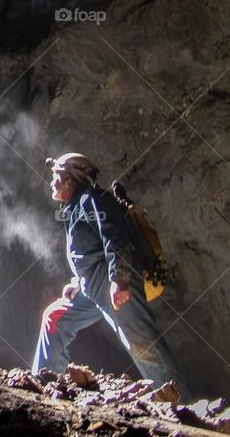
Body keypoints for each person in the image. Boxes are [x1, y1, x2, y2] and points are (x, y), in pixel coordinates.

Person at [33, 153, 188, 399]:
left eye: (58, 176)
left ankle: (182, 405)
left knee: (143, 346)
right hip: (92, 287)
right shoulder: (73, 208)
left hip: (112, 283)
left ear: (71, 179)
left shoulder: (91, 199)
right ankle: (45, 385)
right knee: (54, 318)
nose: (52, 182)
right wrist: (78, 283)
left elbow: (114, 238)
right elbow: (89, 251)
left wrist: (120, 279)